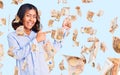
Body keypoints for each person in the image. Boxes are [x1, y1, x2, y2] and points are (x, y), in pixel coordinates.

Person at [7, 3, 50, 75]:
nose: (31, 19)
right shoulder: (12, 36)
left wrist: (64, 30)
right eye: (28, 16)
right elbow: (17, 55)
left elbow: (51, 52)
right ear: (21, 17)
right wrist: (36, 41)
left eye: (34, 16)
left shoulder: (38, 34)